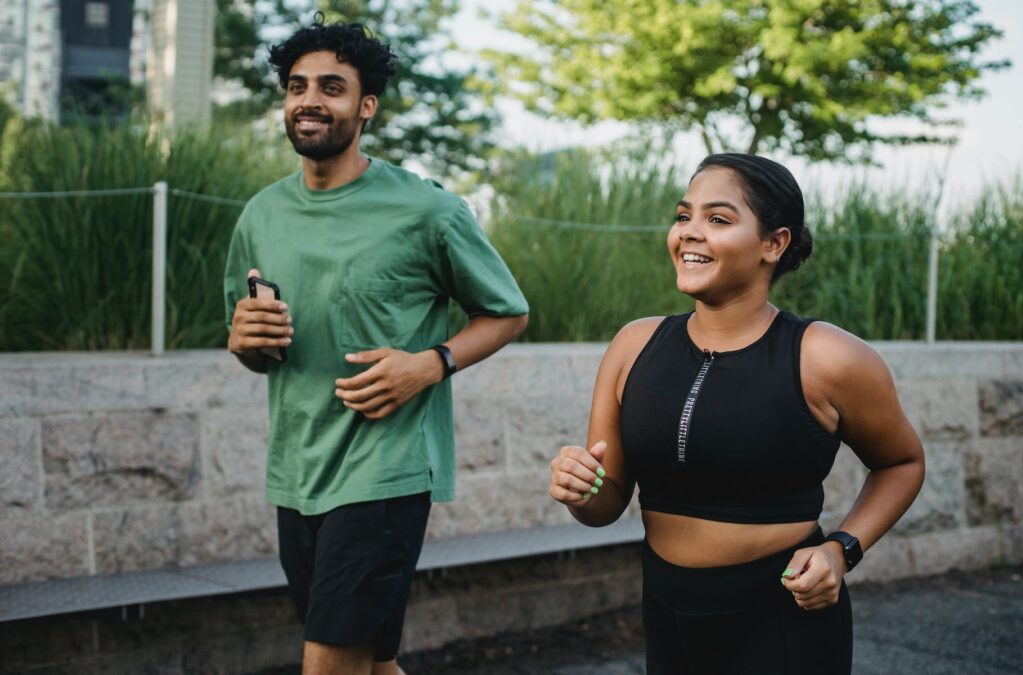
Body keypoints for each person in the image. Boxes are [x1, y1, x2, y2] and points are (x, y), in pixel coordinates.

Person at [223, 19, 528, 675]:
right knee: (369, 660)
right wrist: (244, 339)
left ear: (366, 106)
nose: (309, 100)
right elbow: (250, 344)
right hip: (297, 472)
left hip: (383, 472)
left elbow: (506, 311)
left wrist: (431, 363)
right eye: (297, 86)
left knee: (328, 662)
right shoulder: (260, 216)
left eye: (332, 87)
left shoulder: (426, 210)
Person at [548, 153, 925, 674]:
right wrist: (580, 488)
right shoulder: (633, 346)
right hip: (668, 617)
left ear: (774, 243)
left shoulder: (826, 357)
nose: (690, 233)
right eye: (684, 216)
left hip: (783, 621)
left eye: (718, 219)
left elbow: (902, 463)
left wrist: (841, 550)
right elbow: (606, 506)